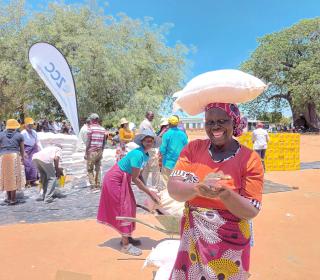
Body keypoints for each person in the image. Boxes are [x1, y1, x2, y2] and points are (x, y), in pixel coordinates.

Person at [168, 103, 264, 279]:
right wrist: (197, 188)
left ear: (234, 123)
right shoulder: (193, 149)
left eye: (222, 120)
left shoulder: (250, 159)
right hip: (193, 237)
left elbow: (251, 210)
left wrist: (225, 194)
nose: (215, 127)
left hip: (231, 241)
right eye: (210, 122)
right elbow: (173, 188)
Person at [97, 129, 160, 256]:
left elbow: (139, 174)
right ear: (142, 142)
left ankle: (127, 236)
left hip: (122, 180)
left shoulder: (145, 155)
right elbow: (135, 179)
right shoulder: (138, 154)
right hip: (114, 180)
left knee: (130, 205)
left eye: (151, 141)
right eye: (147, 141)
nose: (149, 143)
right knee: (124, 208)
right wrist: (150, 193)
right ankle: (125, 245)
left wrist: (148, 189)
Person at [0, 119, 26, 205]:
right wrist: (23, 158)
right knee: (14, 177)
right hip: (14, 156)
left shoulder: (1, 135)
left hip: (3, 156)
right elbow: (22, 149)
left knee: (6, 177)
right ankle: (13, 199)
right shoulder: (19, 135)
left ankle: (8, 198)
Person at [159, 115, 188, 186]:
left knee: (167, 184)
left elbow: (162, 149)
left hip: (168, 163)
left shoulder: (166, 134)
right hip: (180, 163)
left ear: (169, 124)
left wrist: (160, 157)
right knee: (178, 184)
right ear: (177, 123)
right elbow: (187, 148)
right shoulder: (183, 134)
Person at [139, 111, 160, 188]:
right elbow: (150, 136)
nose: (152, 117)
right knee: (155, 167)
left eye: (153, 115)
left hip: (145, 147)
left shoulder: (144, 123)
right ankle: (155, 186)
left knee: (146, 167)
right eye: (151, 115)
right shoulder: (146, 124)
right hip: (149, 146)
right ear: (147, 115)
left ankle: (143, 185)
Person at [85, 113, 106, 190]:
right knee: (98, 168)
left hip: (92, 151)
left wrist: (86, 152)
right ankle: (98, 184)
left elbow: (88, 141)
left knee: (90, 169)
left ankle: (93, 185)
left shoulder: (90, 128)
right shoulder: (102, 129)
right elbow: (104, 142)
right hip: (99, 151)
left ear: (92, 120)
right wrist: (102, 150)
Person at [21, 118, 42, 187]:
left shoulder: (34, 132)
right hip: (26, 149)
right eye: (29, 125)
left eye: (31, 125)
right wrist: (23, 152)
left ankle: (34, 180)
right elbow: (20, 143)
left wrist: (41, 150)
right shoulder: (23, 133)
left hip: (34, 149)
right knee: (28, 165)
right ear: (25, 125)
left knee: (34, 164)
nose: (30, 126)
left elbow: (37, 141)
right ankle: (28, 181)